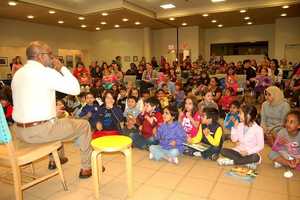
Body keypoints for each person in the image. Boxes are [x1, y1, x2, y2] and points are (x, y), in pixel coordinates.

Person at [11, 41, 93, 178]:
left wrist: (50, 110)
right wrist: (62, 68)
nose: (53, 57)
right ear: (40, 56)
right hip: (40, 132)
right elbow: (76, 89)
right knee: (84, 125)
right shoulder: (45, 72)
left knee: (58, 119)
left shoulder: (18, 74)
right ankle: (87, 167)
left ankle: (56, 159)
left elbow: (27, 100)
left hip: (18, 132)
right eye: (50, 54)